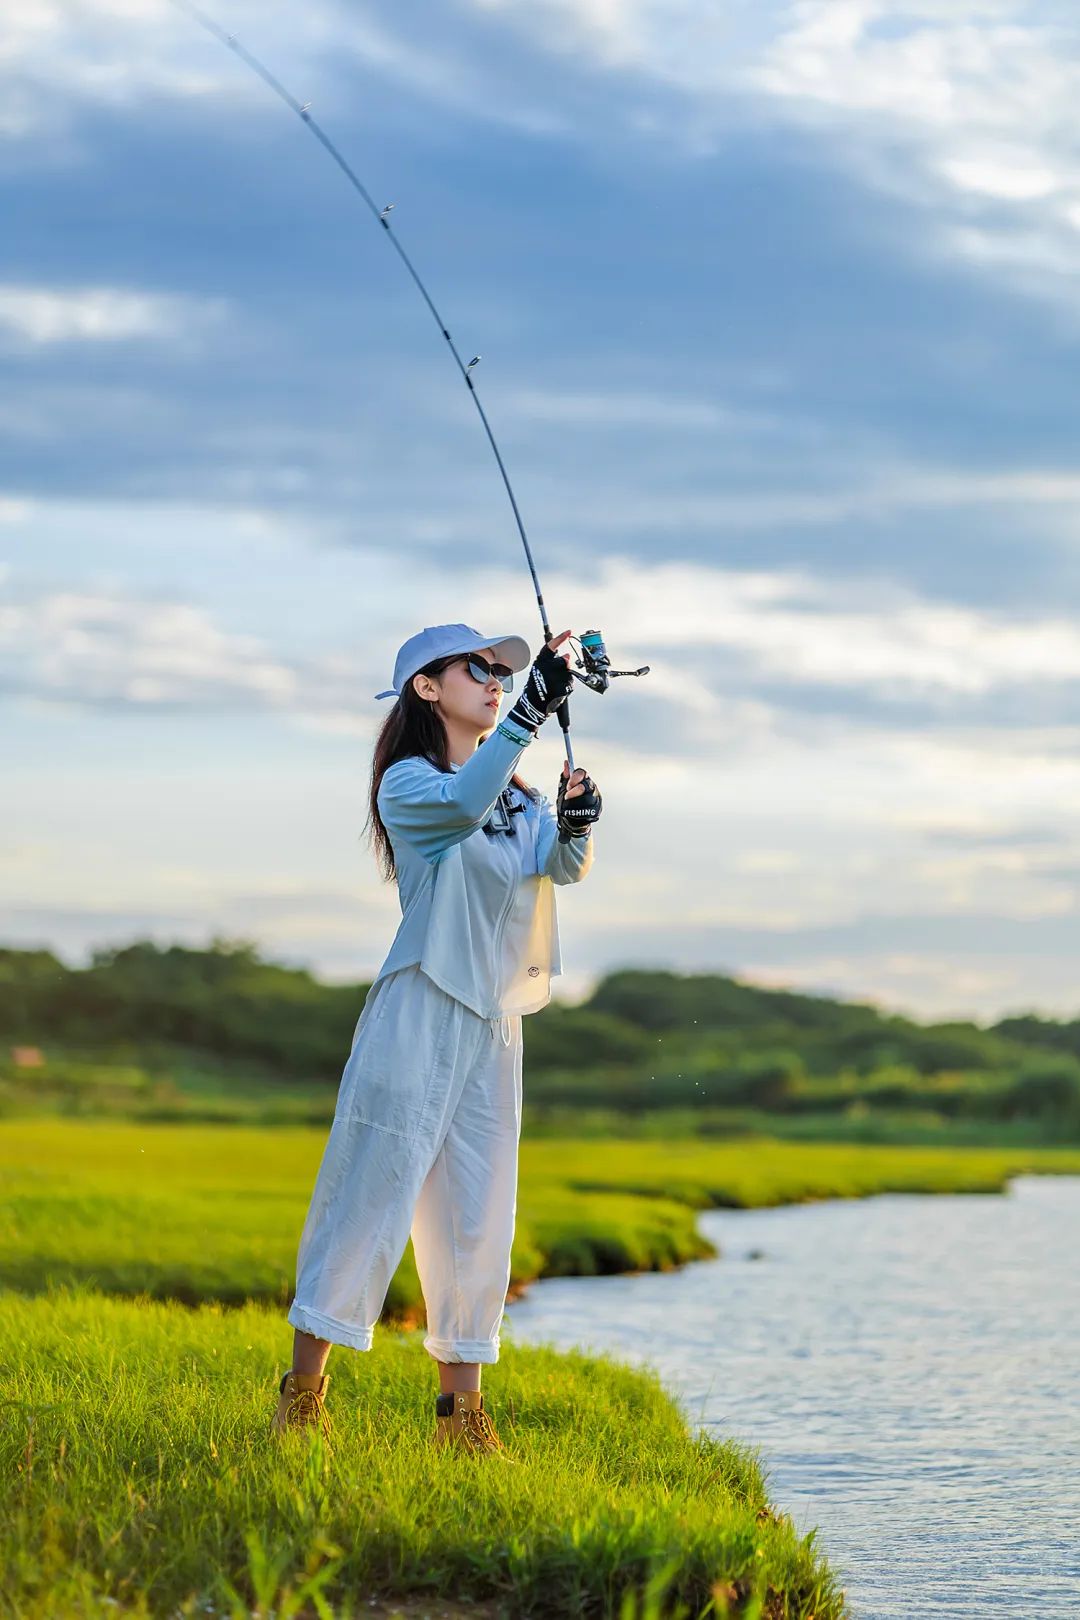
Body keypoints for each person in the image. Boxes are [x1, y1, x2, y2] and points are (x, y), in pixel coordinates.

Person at [271, 622, 602, 1457]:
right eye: (478, 669)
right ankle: (303, 1397)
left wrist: (578, 824)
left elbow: (557, 868)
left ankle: (461, 1417)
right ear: (427, 687)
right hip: (419, 1006)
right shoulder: (409, 784)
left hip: (494, 1022)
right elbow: (461, 806)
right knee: (369, 1194)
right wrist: (528, 715)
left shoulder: (518, 793)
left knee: (479, 1212)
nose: (495, 681)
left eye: (505, 674)